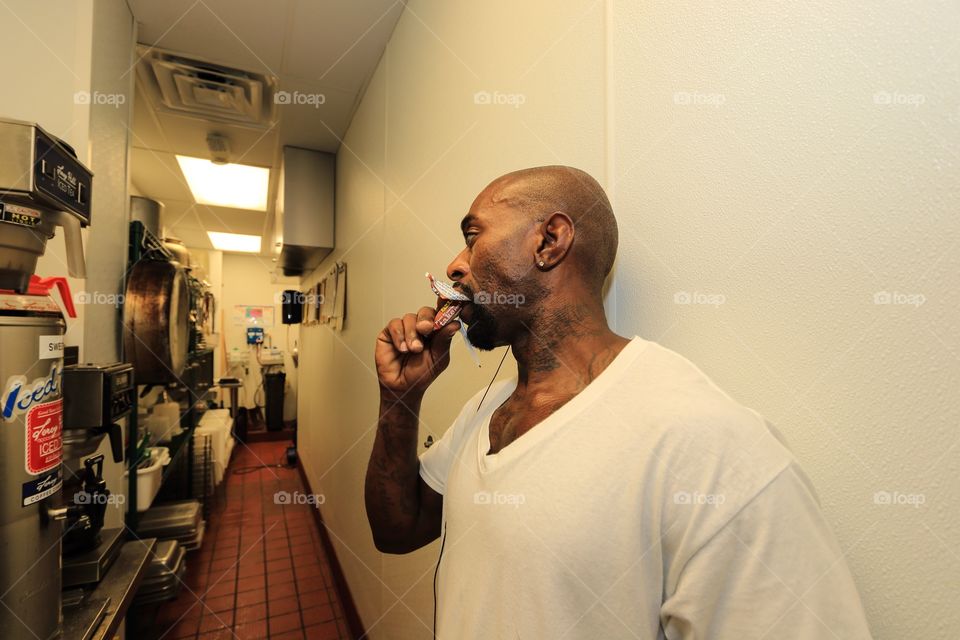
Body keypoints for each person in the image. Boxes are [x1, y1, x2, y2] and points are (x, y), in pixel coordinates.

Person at [365, 166, 872, 639]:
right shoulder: (486, 409)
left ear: (550, 241)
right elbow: (397, 529)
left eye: (473, 237)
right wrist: (400, 400)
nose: (454, 266)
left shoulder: (710, 446)